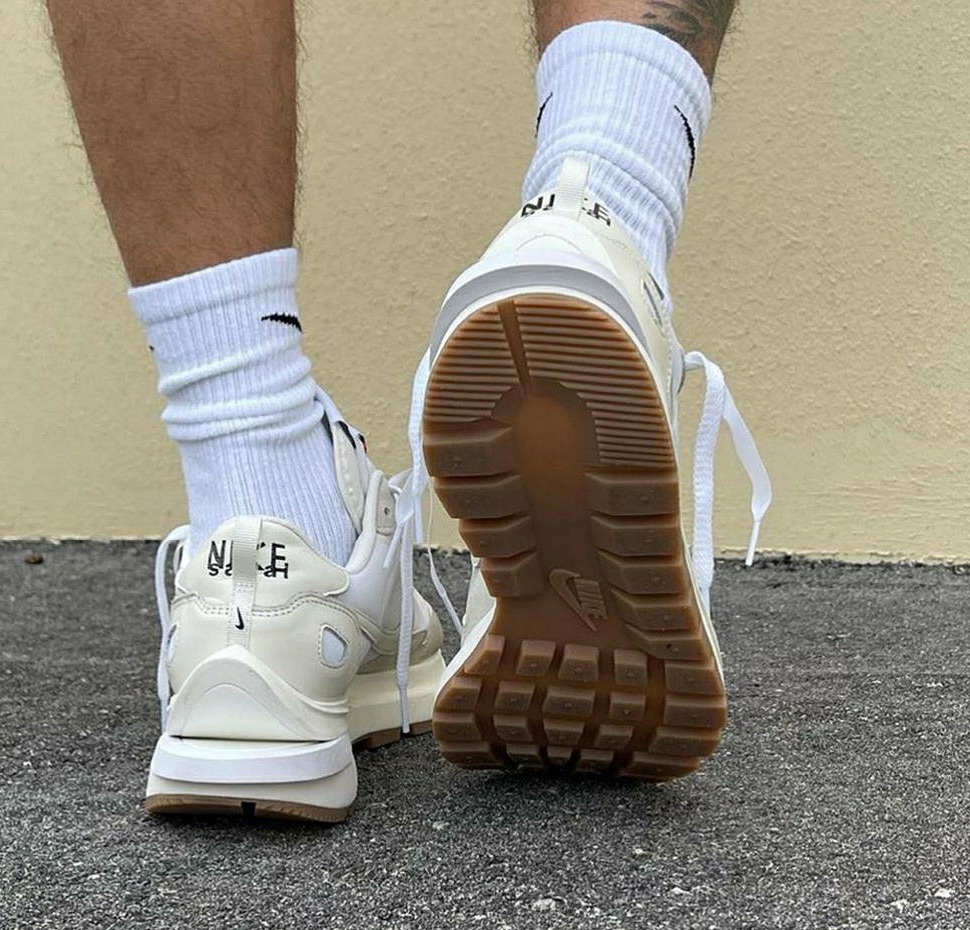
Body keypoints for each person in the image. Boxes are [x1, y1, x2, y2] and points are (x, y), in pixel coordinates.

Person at [47, 0, 770, 822]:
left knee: (247, 417)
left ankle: (255, 518)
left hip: (229, 630)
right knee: (600, 214)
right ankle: (597, 222)